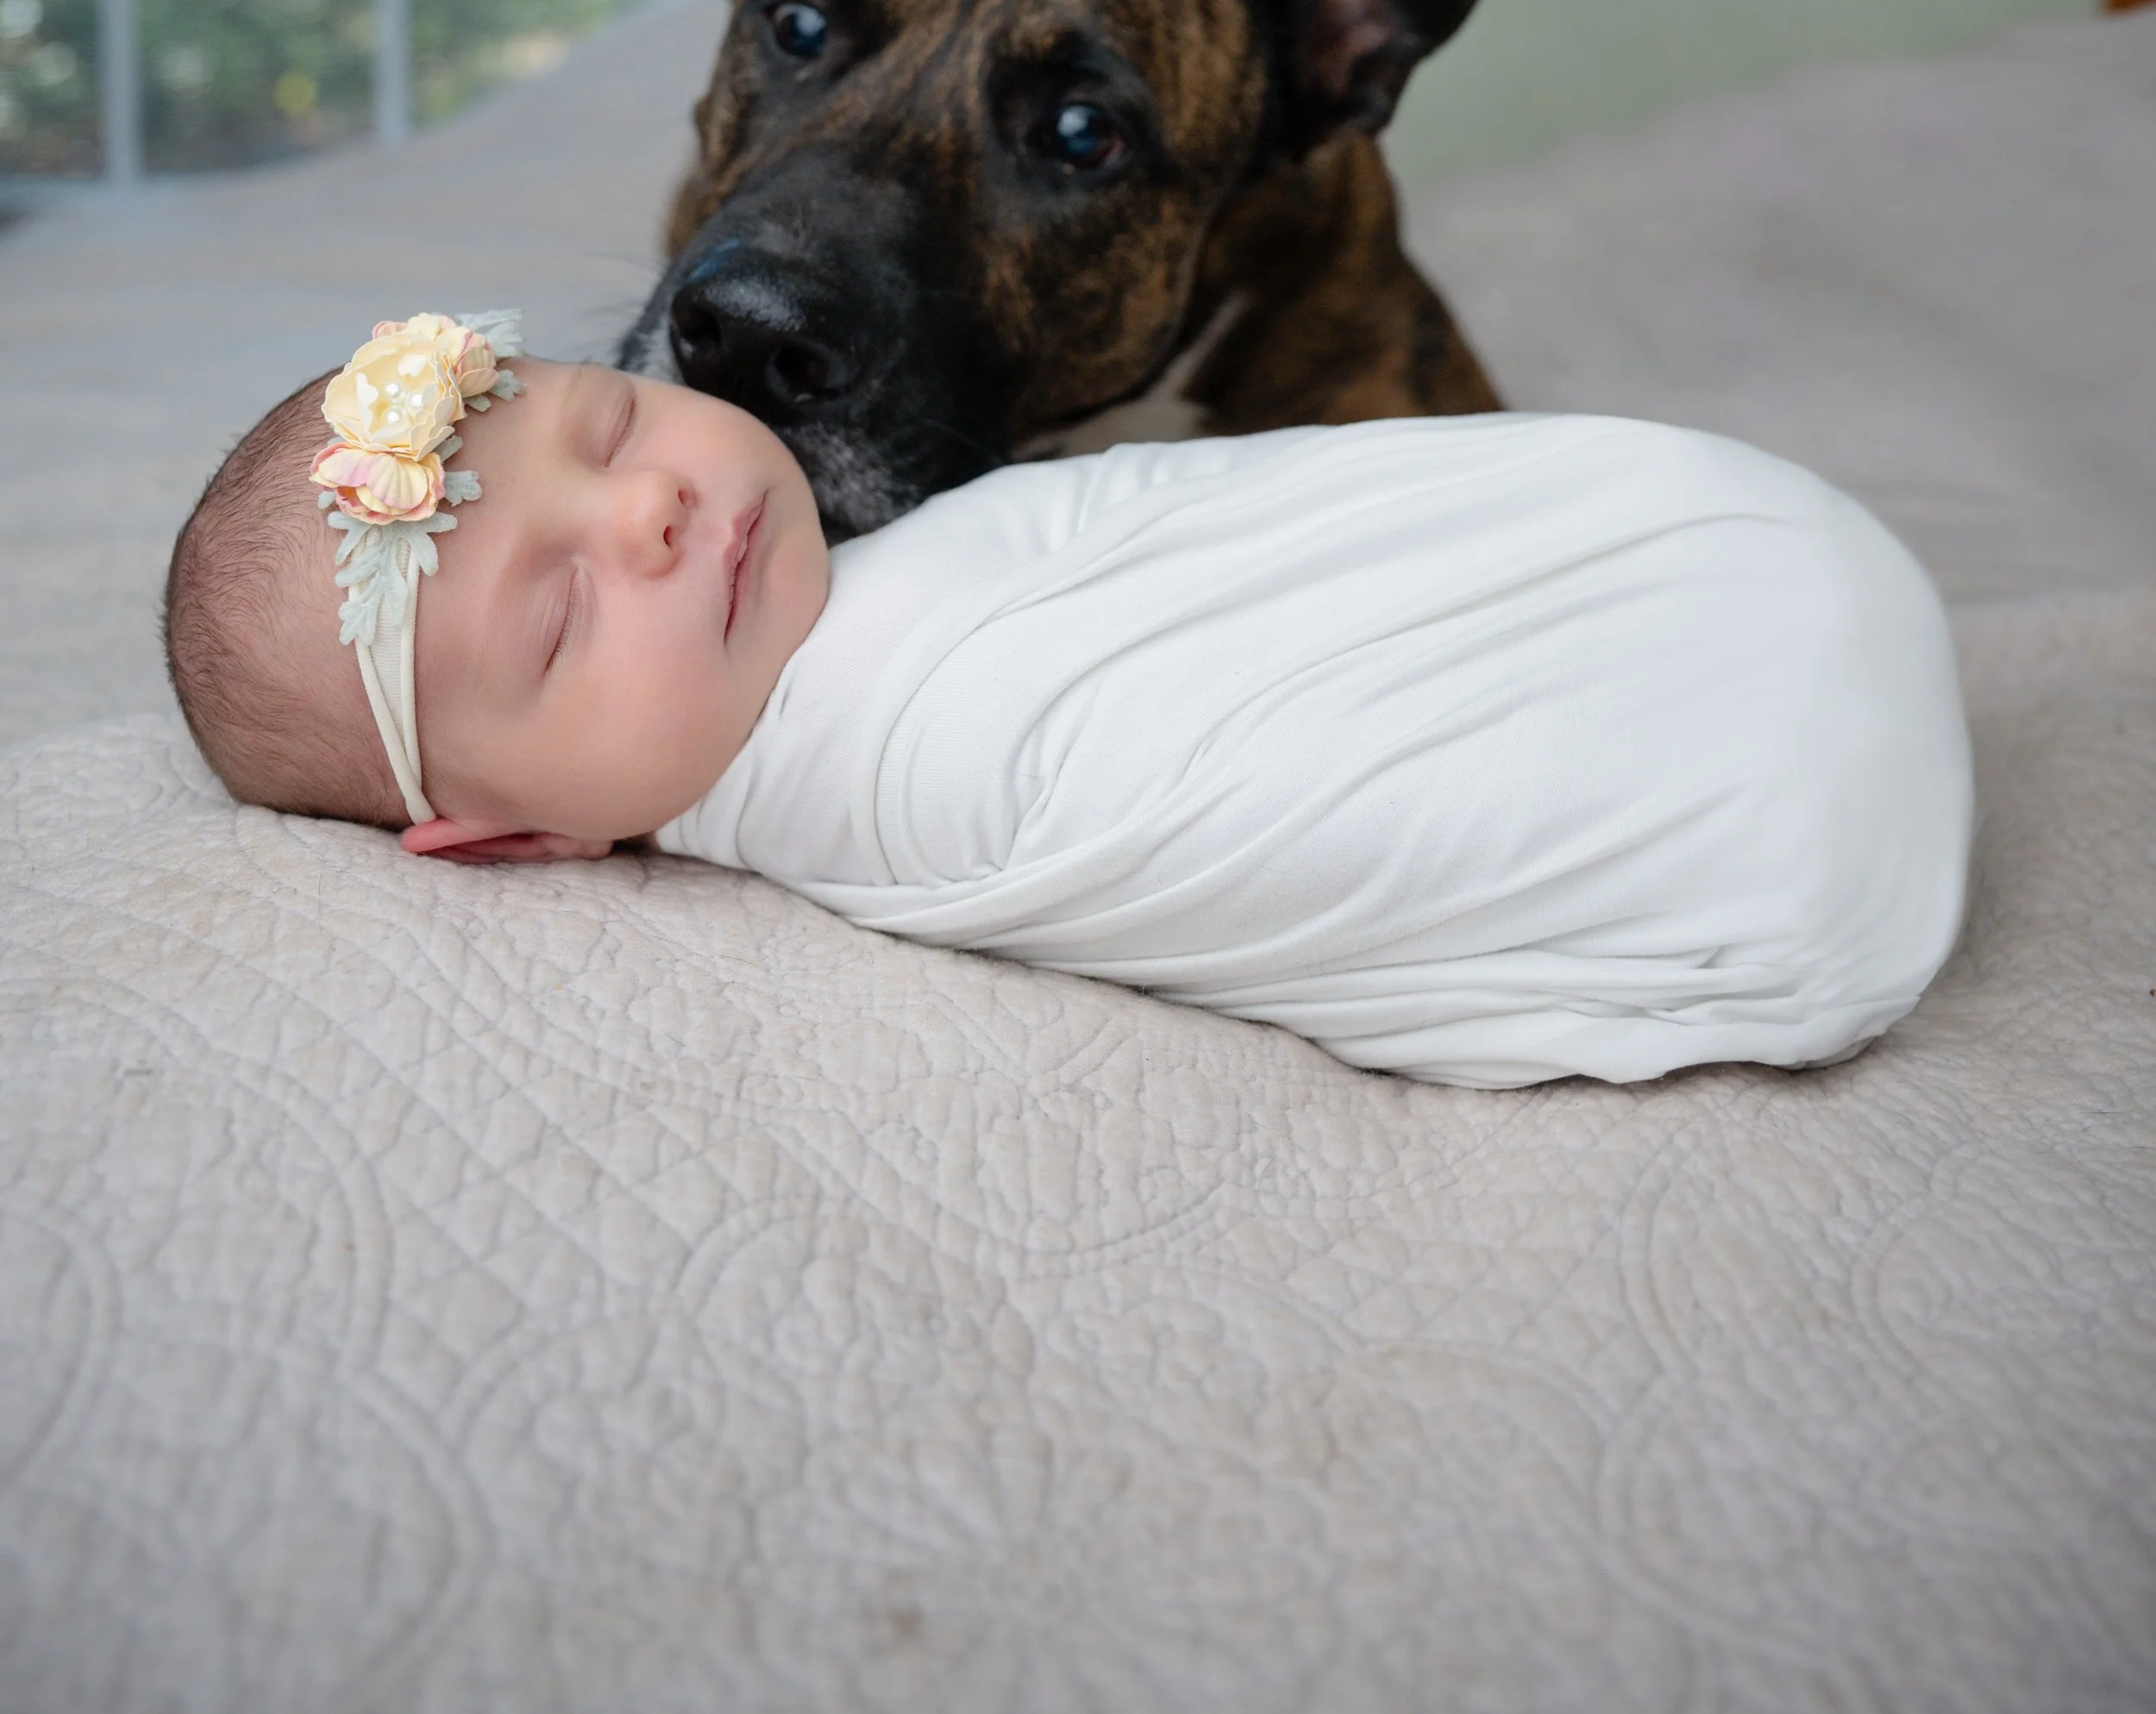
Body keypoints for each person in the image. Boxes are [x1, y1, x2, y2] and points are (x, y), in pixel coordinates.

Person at [163, 308, 1972, 1091]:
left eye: (614, 422)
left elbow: (1263, 532)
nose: (647, 510)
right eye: (558, 622)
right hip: (1785, 776)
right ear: (508, 836)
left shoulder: (860, 580)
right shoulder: (906, 766)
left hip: (1764, 584)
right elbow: (1265, 824)